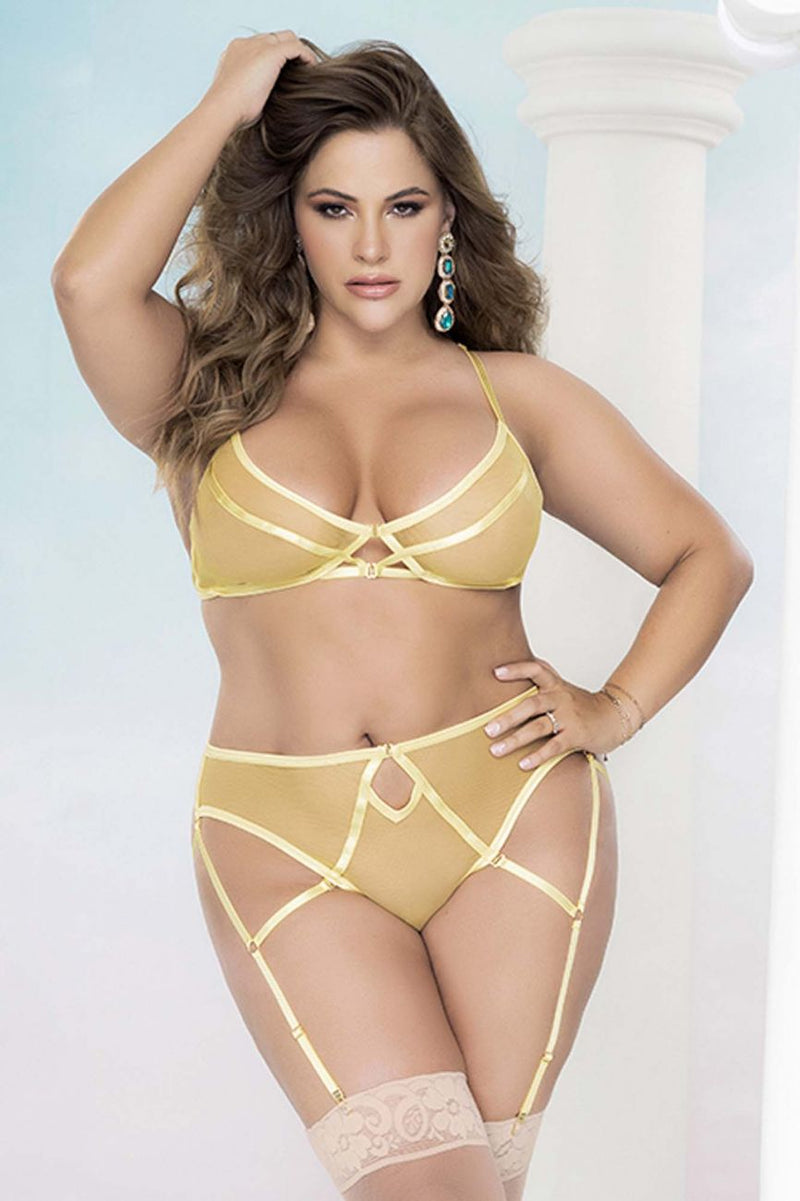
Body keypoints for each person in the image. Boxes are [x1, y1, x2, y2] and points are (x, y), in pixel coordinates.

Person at [51, 31, 754, 1201]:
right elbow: (87, 283)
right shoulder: (203, 393)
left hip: (515, 819)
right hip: (281, 838)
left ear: (448, 221)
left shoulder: (516, 398)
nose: (371, 246)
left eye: (404, 205)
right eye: (333, 207)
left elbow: (704, 556)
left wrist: (614, 707)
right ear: (288, 222)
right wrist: (227, 103)